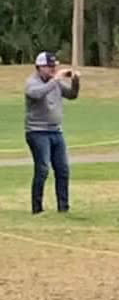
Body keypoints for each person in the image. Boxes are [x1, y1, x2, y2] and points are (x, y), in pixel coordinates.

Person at [24, 51, 80, 214]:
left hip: (55, 131)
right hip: (37, 131)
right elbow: (37, 94)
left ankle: (63, 207)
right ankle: (37, 208)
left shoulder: (55, 82)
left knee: (63, 169)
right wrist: (56, 79)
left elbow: (72, 95)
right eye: (49, 67)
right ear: (39, 67)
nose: (52, 69)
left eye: (54, 66)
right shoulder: (31, 82)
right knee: (42, 169)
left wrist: (75, 80)